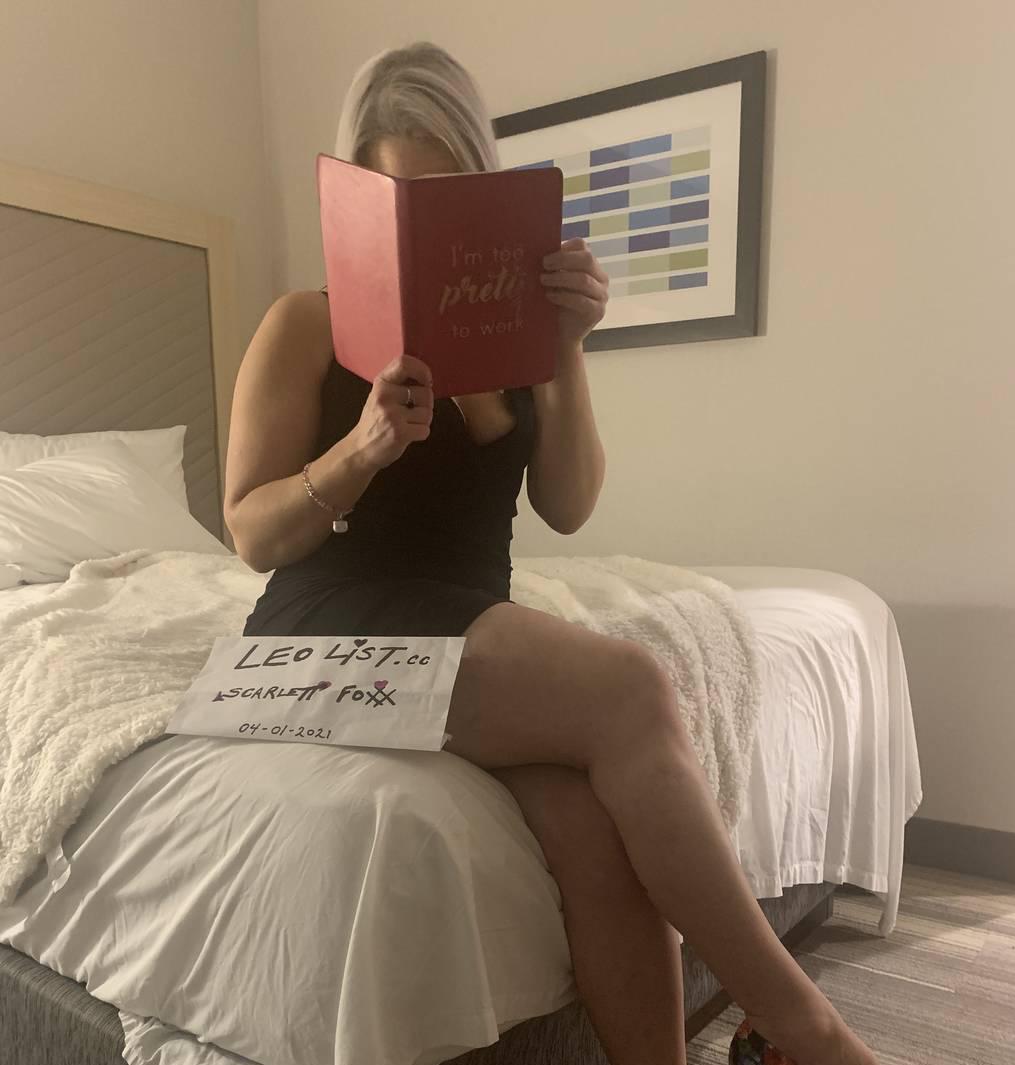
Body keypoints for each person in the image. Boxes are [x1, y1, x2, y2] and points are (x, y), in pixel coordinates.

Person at [223, 40, 878, 1065]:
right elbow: (249, 531)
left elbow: (568, 507)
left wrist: (567, 348)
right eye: (404, 203)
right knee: (629, 685)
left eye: (451, 198)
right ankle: (804, 1031)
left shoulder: (517, 335)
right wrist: (361, 450)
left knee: (589, 827)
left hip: (462, 621)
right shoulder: (306, 324)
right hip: (328, 628)